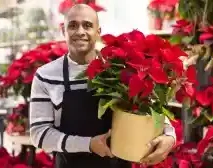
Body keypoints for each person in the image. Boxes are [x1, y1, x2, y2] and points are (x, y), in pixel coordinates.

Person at [30, 4, 176, 168]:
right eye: (72, 25)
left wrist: (170, 136)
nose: (80, 32)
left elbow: (149, 109)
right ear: (63, 31)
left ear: (98, 32)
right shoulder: (46, 76)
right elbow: (39, 134)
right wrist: (89, 144)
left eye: (87, 25)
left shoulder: (119, 69)